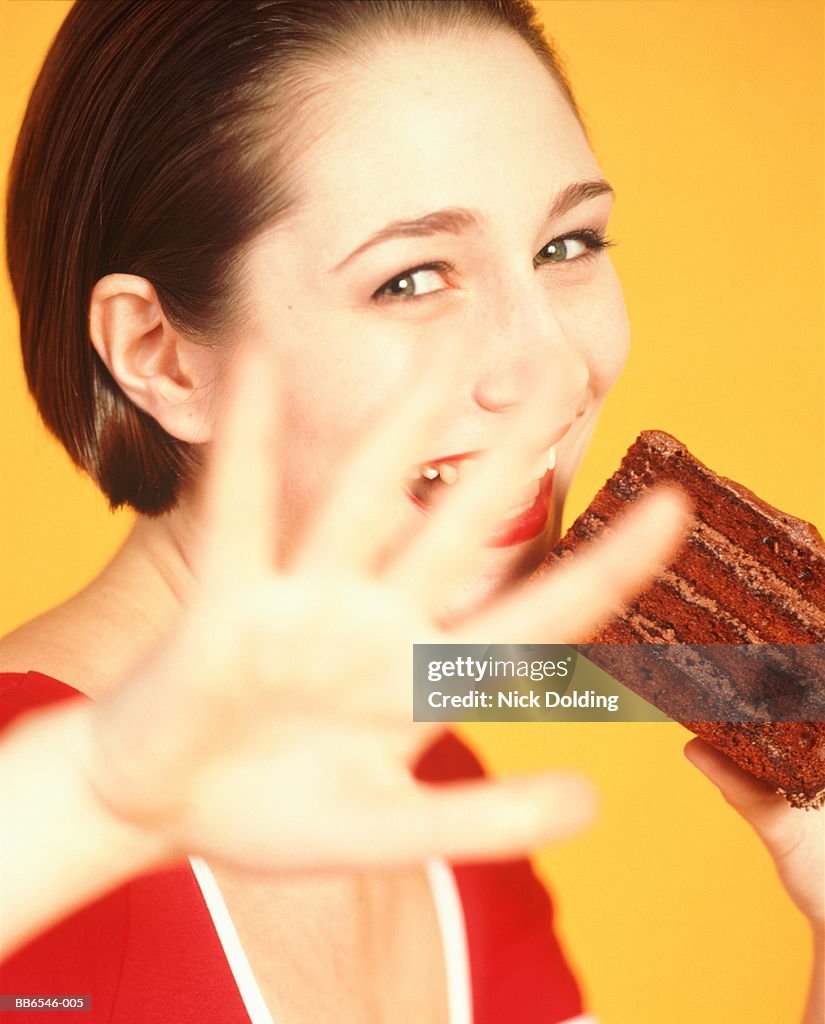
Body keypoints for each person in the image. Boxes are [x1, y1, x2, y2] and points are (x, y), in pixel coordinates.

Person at [0, 2, 821, 1022]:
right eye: (412, 277)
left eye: (568, 245)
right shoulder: (29, 812)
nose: (553, 367)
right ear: (161, 354)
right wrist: (85, 802)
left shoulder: (428, 797)